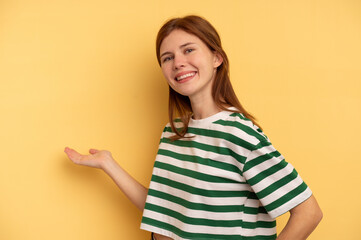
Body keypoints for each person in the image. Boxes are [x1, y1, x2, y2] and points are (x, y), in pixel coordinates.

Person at [64, 15, 322, 240]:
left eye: (188, 50)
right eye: (168, 58)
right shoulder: (173, 132)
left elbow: (309, 212)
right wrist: (108, 164)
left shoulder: (238, 134)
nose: (177, 62)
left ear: (216, 58)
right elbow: (162, 210)